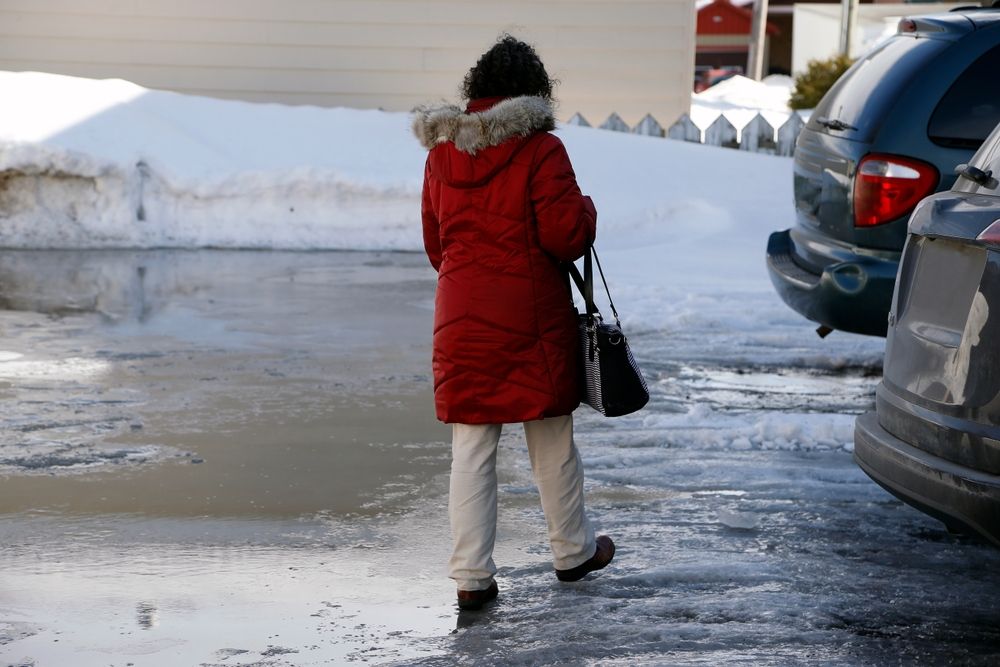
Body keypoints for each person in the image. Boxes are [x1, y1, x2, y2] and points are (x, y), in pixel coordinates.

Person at [412, 35, 615, 611]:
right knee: (551, 438)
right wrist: (588, 210)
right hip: (530, 316)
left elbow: (436, 242)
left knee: (471, 450)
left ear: (475, 92)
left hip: (460, 315)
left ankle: (471, 576)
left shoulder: (441, 152)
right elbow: (564, 235)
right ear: (534, 92)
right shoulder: (541, 149)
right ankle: (572, 553)